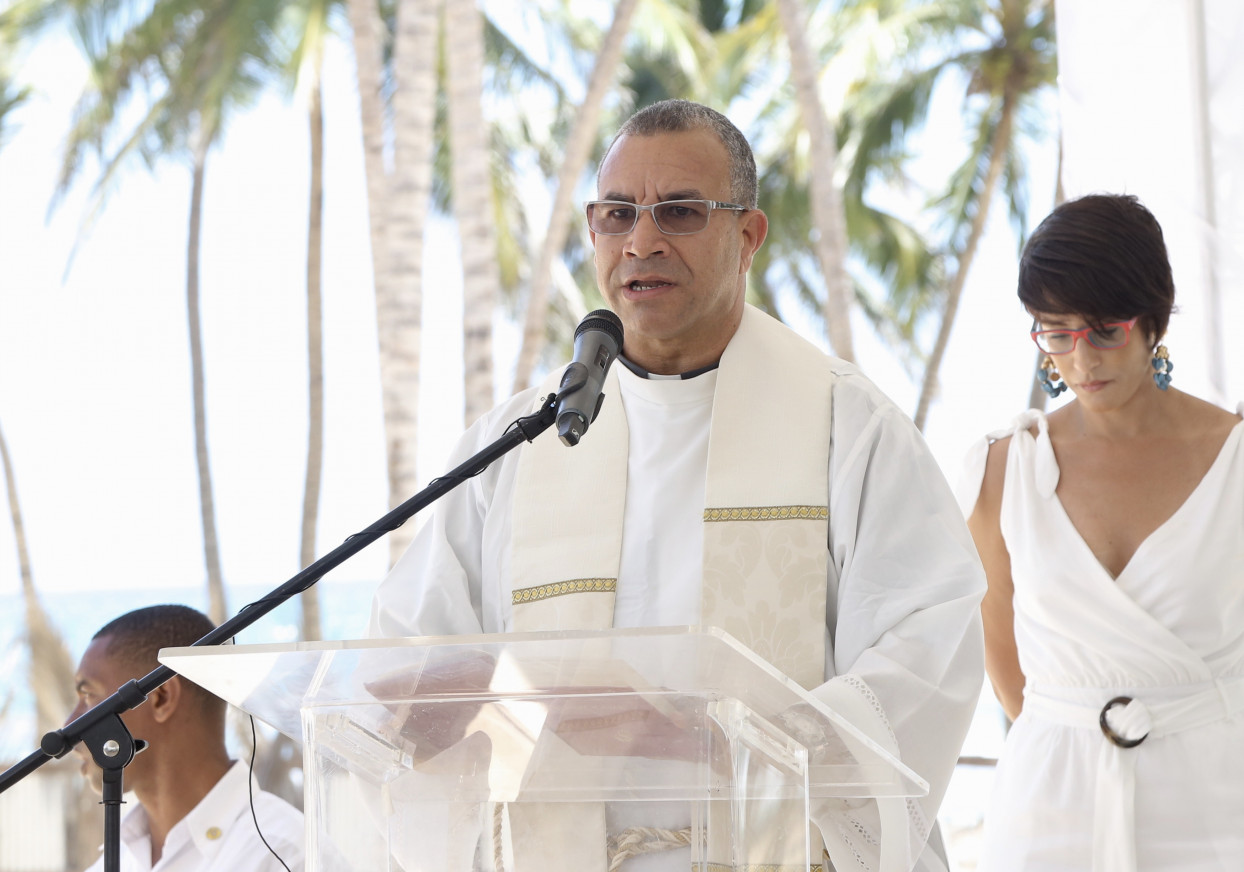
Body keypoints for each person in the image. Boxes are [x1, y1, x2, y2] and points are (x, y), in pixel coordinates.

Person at [369, 99, 986, 871]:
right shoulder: (518, 445)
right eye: (618, 214)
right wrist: (456, 703)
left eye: (681, 212)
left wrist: (701, 740)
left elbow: (927, 653)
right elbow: (406, 664)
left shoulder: (848, 428)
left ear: (748, 236)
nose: (642, 241)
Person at [962, 193, 1244, 871]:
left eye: (1104, 330)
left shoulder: (1233, 460)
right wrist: (1071, 736)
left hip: (1216, 799)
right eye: (1057, 333)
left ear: (1153, 320)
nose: (1082, 360)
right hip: (1047, 808)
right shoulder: (1004, 470)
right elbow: (1007, 672)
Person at [68, 605, 308, 872]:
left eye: (89, 696)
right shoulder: (113, 863)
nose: (70, 725)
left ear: (161, 698)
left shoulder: (285, 855)